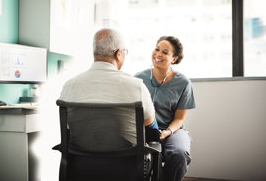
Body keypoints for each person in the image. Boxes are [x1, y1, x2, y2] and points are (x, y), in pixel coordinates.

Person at [59, 28, 159, 178]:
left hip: (81, 167)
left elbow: (69, 128)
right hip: (128, 169)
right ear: (119, 53)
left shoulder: (69, 86)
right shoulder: (136, 86)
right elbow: (151, 128)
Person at [135, 36, 196, 181]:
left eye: (165, 52)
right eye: (157, 49)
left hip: (172, 130)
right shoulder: (138, 79)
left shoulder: (183, 83)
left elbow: (179, 119)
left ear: (174, 59)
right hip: (144, 129)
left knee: (179, 154)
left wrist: (167, 132)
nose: (158, 54)